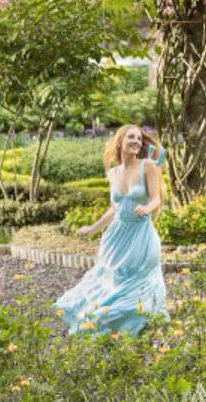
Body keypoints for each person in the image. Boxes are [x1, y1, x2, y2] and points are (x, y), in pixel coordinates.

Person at [55, 124, 168, 335]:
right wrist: (92, 228)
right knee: (111, 281)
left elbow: (156, 198)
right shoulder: (113, 173)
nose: (136, 141)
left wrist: (147, 208)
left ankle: (138, 326)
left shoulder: (148, 166)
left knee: (137, 281)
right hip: (116, 237)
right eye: (131, 137)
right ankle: (111, 324)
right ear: (120, 142)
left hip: (140, 235)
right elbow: (114, 209)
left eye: (139, 139)